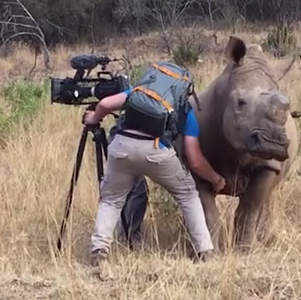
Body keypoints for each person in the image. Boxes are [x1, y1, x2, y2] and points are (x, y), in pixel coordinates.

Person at [83, 63, 225, 267]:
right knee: (187, 195)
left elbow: (105, 104)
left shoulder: (139, 91)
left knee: (112, 200)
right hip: (157, 153)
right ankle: (205, 250)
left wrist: (93, 119)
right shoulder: (184, 110)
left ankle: (99, 250)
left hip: (121, 148)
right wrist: (216, 179)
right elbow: (195, 160)